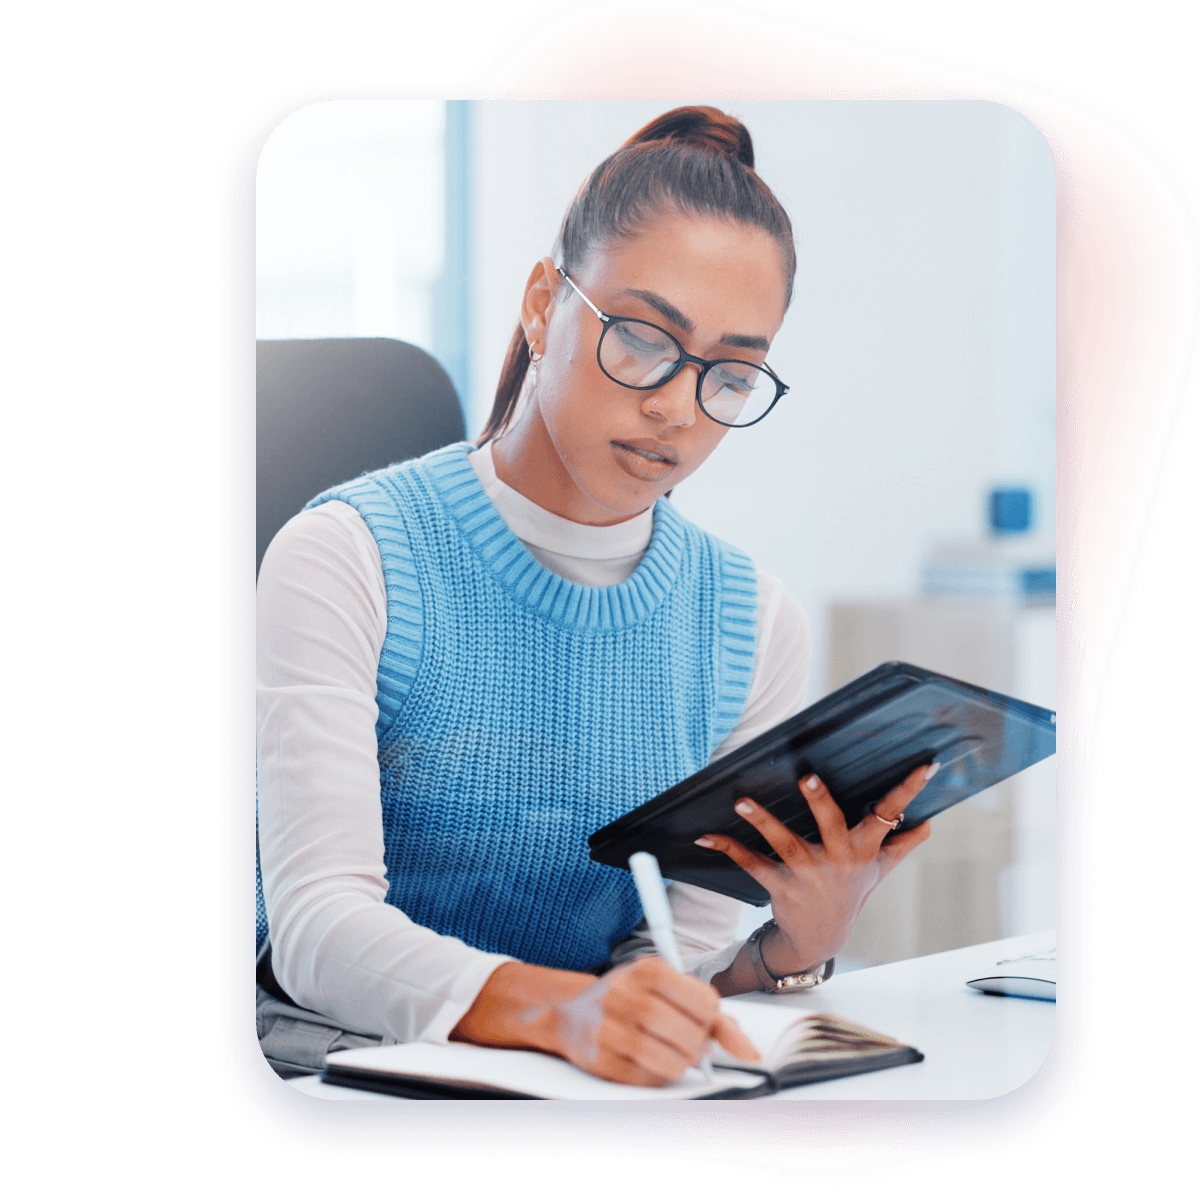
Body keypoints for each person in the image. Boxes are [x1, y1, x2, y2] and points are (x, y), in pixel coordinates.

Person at [255, 106, 935, 1085]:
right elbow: (319, 931)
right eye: (644, 338)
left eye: (731, 374)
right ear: (543, 304)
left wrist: (788, 946)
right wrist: (567, 1011)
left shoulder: (751, 621)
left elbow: (665, 957)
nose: (674, 406)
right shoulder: (346, 553)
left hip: (584, 1079)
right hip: (340, 1071)